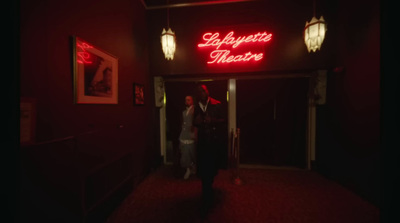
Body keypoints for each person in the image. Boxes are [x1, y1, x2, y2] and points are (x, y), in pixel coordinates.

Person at [193, 84, 225, 216]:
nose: (202, 92)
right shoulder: (196, 107)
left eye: (203, 90)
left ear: (208, 91)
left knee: (211, 167)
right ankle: (206, 192)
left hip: (213, 140)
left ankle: (208, 188)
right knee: (204, 167)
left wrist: (212, 120)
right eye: (199, 91)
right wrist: (197, 122)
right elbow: (194, 124)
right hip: (202, 141)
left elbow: (224, 120)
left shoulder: (217, 104)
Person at [178, 95, 197, 180]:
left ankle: (192, 167)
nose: (187, 101)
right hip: (184, 134)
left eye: (189, 100)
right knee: (184, 152)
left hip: (191, 135)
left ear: (192, 101)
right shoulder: (184, 111)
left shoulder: (195, 110)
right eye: (186, 100)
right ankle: (188, 169)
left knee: (191, 152)